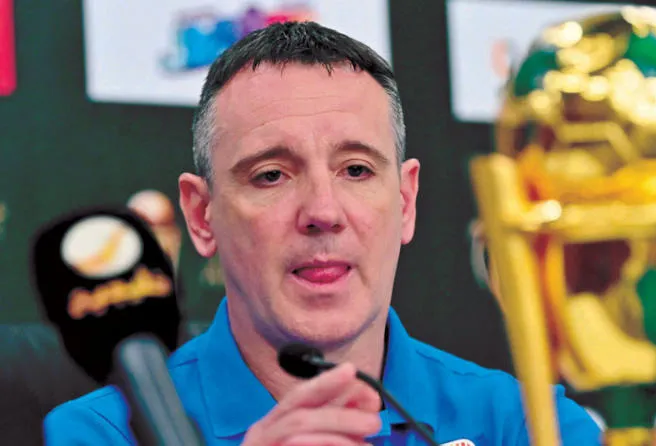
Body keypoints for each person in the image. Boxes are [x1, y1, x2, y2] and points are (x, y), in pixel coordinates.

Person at [42, 21, 601, 445]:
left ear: (405, 202)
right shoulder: (99, 434)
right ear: (201, 216)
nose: (323, 211)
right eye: (271, 175)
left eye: (356, 169)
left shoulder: (529, 427)